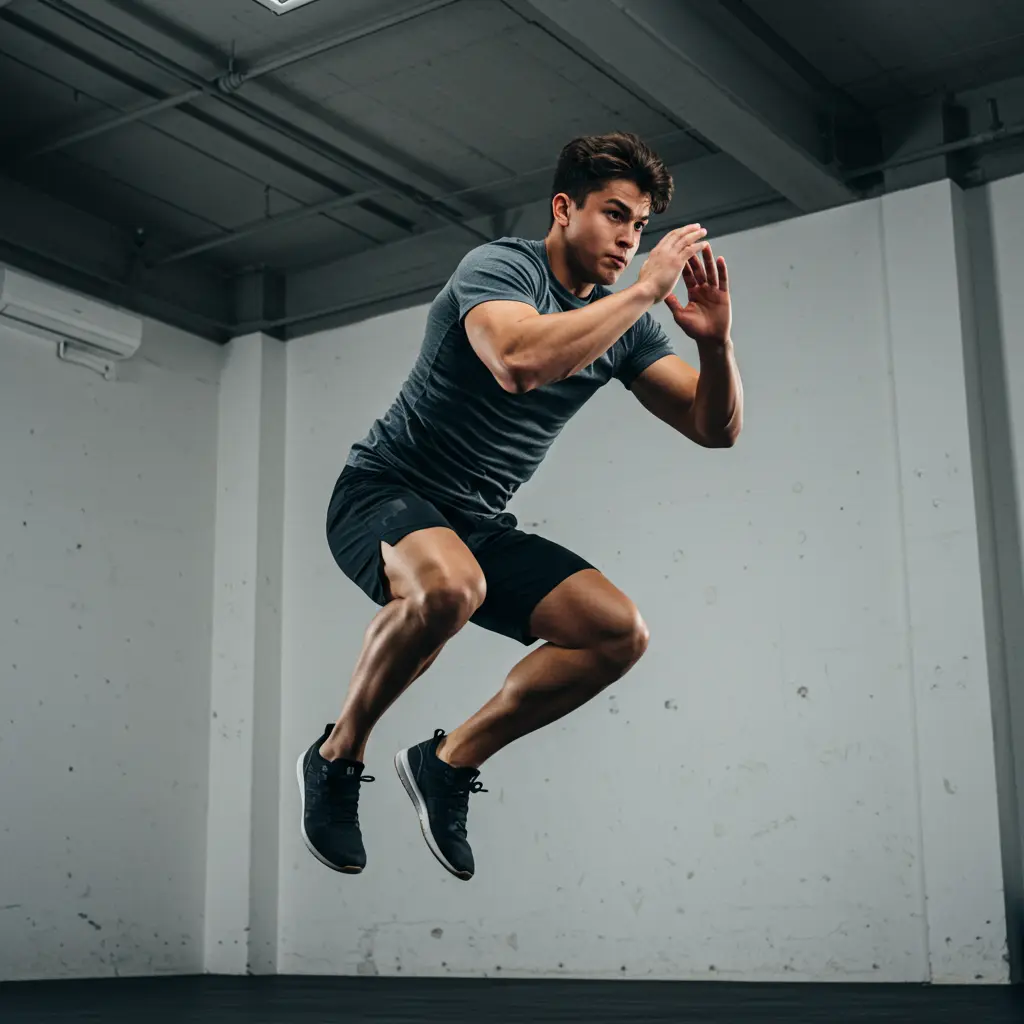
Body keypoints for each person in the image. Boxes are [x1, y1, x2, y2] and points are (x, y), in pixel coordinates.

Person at [297, 131, 743, 880]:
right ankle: (338, 755)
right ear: (564, 208)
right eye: (614, 215)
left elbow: (713, 428)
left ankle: (447, 764)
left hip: (475, 522)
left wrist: (717, 345)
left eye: (639, 225)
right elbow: (518, 362)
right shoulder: (502, 267)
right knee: (451, 588)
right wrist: (640, 291)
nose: (630, 238)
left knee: (615, 633)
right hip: (383, 490)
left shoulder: (626, 323)